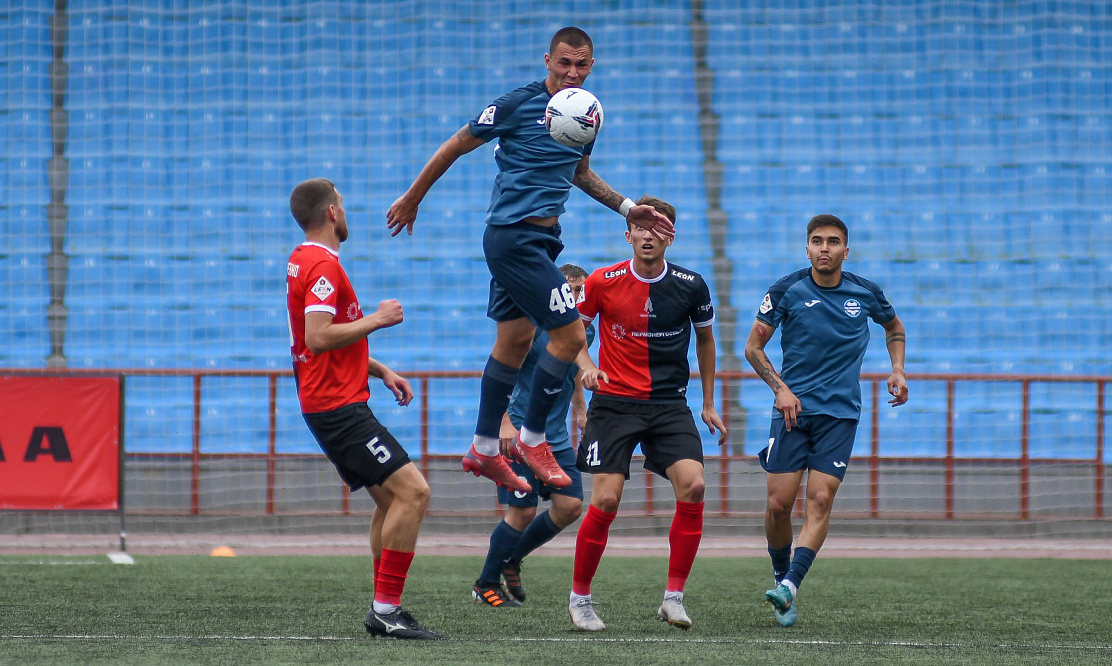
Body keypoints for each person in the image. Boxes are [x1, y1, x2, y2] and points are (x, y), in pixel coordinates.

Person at [386, 26, 674, 495]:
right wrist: (414, 197)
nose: (572, 73)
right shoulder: (517, 104)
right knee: (571, 333)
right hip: (513, 238)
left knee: (515, 341)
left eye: (581, 65)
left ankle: (483, 448)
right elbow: (458, 142)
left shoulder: (587, 114)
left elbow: (579, 173)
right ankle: (533, 439)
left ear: (592, 67)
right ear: (547, 60)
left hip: (541, 241)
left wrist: (627, 208)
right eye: (564, 63)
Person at [286, 178, 441, 640]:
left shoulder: (302, 259)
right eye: (344, 204)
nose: (346, 211)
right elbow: (317, 336)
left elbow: (323, 339)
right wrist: (379, 318)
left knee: (391, 499)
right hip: (337, 407)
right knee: (415, 493)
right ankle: (386, 611)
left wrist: (379, 369)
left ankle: (384, 607)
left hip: (332, 399)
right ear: (333, 212)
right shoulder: (323, 266)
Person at [567, 195, 727, 632]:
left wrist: (709, 402)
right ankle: (580, 598)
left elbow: (707, 343)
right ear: (629, 233)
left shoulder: (692, 285)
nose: (649, 235)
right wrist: (586, 366)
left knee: (694, 486)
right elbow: (574, 332)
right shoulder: (603, 280)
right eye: (642, 227)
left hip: (669, 404)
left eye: (659, 229)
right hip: (615, 403)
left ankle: (673, 598)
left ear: (670, 236)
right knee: (605, 500)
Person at [744, 213, 908, 628]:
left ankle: (790, 587)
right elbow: (753, 348)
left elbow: (894, 327)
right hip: (792, 412)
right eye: (817, 241)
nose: (824, 248)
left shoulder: (865, 292)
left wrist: (898, 369)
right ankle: (780, 575)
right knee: (779, 505)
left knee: (819, 500)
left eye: (833, 242)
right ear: (807, 248)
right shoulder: (786, 290)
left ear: (845, 250)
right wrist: (780, 389)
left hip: (840, 415)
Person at [472, 264, 595, 608]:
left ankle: (511, 558)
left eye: (580, 290)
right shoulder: (532, 327)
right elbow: (501, 372)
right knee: (521, 512)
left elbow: (570, 374)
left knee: (570, 506)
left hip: (554, 439)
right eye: (569, 290)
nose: (575, 296)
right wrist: (504, 424)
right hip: (518, 434)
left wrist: (581, 412)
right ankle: (485, 583)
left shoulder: (584, 331)